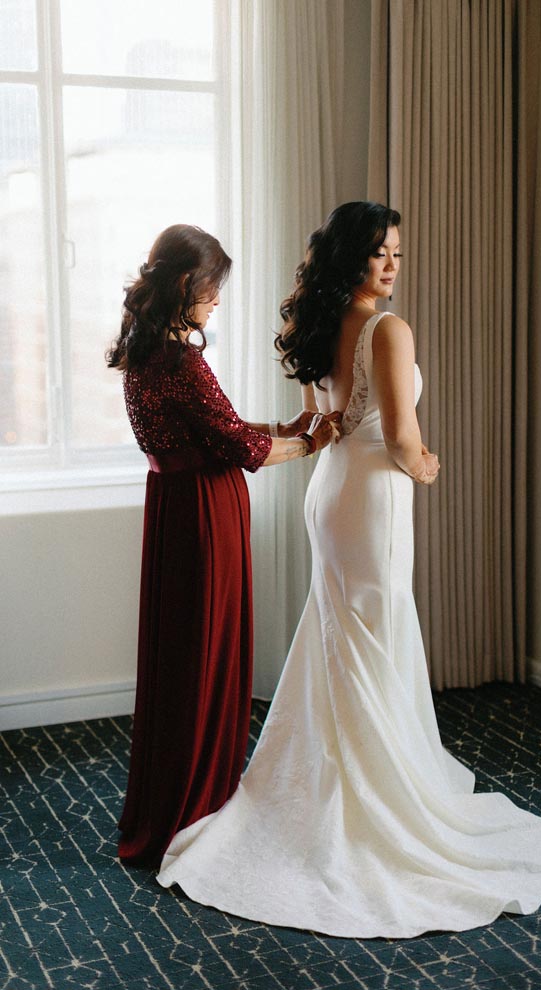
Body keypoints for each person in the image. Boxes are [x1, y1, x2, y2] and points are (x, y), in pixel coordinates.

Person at [156, 204, 541, 937]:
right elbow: (405, 441)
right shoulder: (388, 329)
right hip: (373, 498)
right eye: (380, 253)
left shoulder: (318, 325)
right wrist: (429, 468)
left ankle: (336, 784)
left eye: (397, 253)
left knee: (344, 634)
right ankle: (376, 799)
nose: (392, 265)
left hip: (333, 492)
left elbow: (324, 420)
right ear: (352, 257)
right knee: (370, 637)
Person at [107, 223, 338, 866]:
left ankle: (176, 794)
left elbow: (219, 429)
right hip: (207, 516)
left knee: (182, 651)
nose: (217, 301)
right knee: (206, 649)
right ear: (186, 285)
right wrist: (314, 441)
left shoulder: (147, 349)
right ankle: (198, 802)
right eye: (212, 289)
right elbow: (245, 450)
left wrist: (280, 426)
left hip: (176, 508)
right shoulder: (181, 360)